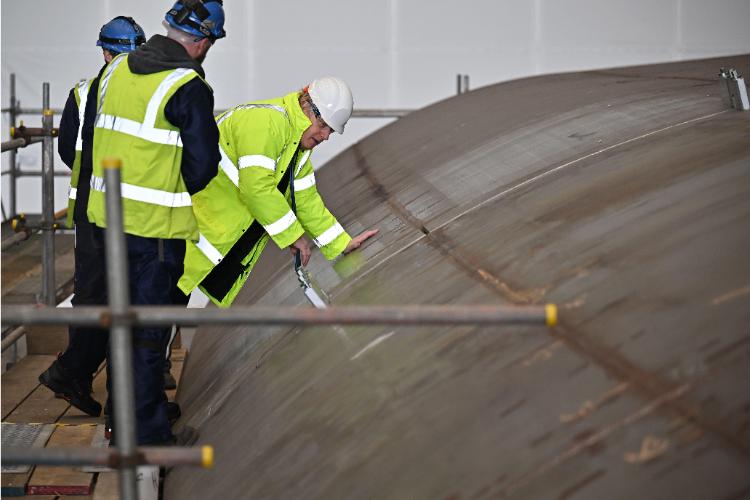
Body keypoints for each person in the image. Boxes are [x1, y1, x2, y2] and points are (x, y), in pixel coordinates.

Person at [86, 0, 225, 446]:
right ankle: (145, 434)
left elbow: (91, 138)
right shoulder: (187, 86)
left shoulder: (115, 70)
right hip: (155, 232)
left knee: (121, 325)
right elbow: (203, 167)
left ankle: (122, 416)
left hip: (105, 226)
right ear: (203, 43)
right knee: (147, 335)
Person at [178, 77, 378, 307]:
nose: (325, 136)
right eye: (323, 125)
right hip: (179, 233)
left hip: (198, 237)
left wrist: (341, 244)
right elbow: (256, 189)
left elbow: (305, 200)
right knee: (154, 317)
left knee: (162, 317)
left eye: (330, 130)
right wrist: (293, 237)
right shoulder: (265, 123)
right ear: (306, 107)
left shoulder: (295, 147)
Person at [39, 16, 147, 418]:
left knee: (95, 294)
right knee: (115, 295)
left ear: (105, 51)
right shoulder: (144, 91)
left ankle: (77, 375)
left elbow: (69, 149)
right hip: (127, 209)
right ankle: (81, 376)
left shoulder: (83, 93)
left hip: (92, 206)